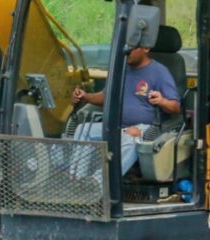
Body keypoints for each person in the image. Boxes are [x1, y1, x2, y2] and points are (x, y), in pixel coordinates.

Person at [71, 45, 180, 174]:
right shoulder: (120, 70)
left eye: (131, 49)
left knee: (131, 137)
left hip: (147, 128)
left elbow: (175, 107)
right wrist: (86, 97)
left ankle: (98, 182)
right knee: (83, 130)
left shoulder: (160, 72)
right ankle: (75, 179)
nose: (126, 52)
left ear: (146, 48)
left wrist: (162, 101)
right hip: (117, 126)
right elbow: (107, 96)